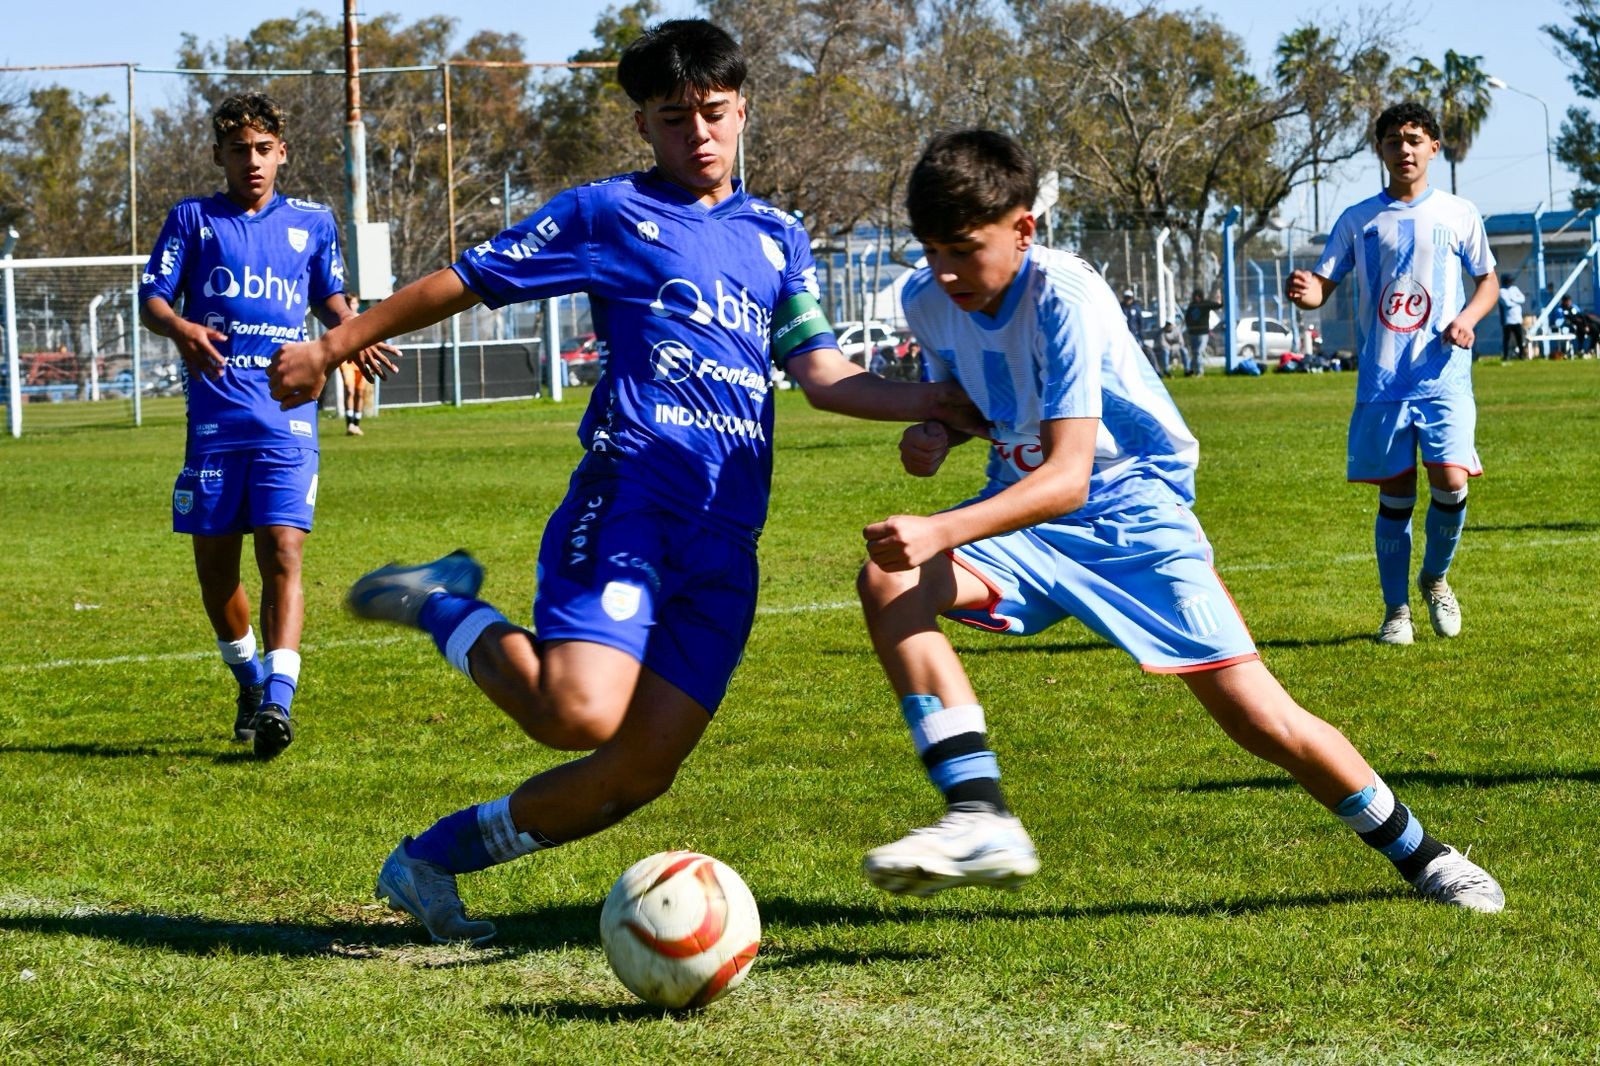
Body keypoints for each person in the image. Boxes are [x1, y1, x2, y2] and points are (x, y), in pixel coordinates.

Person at [267, 19, 977, 944]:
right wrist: (332, 344)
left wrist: (938, 400)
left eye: (714, 114)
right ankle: (443, 605)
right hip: (632, 501)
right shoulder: (608, 214)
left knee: (638, 771)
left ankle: (430, 861)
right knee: (578, 713)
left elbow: (823, 375)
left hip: (728, 542)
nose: (699, 134)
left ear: (742, 110)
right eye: (674, 118)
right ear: (643, 124)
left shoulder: (778, 238)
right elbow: (467, 280)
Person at [855, 129, 1502, 913]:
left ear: (1024, 228)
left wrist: (940, 528)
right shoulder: (930, 301)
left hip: (1134, 514)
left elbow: (1068, 476)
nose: (945, 271)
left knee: (1260, 718)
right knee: (891, 580)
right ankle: (978, 811)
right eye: (931, 251)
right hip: (1025, 522)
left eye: (964, 248)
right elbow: (979, 405)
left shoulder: (1065, 293)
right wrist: (937, 433)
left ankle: (1424, 855)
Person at [138, 93, 397, 759]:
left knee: (283, 551)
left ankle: (280, 702)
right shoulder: (192, 220)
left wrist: (353, 332)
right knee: (216, 572)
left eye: (263, 149)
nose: (251, 162)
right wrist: (181, 326)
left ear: (282, 151)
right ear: (218, 155)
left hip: (288, 418)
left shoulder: (312, 223)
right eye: (237, 150)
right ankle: (250, 682)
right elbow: (153, 300)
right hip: (216, 424)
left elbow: (331, 297)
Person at [1287, 101, 1498, 646]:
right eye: (1392, 141)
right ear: (1379, 149)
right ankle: (1396, 610)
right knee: (1397, 492)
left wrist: (1468, 320)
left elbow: (1488, 282)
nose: (1403, 149)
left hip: (1443, 375)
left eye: (1413, 139)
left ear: (1433, 147)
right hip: (1384, 381)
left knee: (1450, 481)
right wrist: (1305, 291)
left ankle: (1436, 577)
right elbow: (1320, 288)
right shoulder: (1359, 220)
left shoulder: (1459, 213)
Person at [1182, 289, 1221, 375]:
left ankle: (1200, 371)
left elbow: (1218, 306)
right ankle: (1191, 371)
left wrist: (1219, 297)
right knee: (1194, 353)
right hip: (1193, 333)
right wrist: (1189, 328)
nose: (1196, 298)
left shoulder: (1205, 304)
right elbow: (1187, 318)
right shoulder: (1191, 306)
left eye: (1198, 296)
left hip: (1202, 333)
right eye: (1195, 296)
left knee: (1199, 351)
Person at [339, 357, 369, 434]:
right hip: (347, 360)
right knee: (350, 391)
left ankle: (356, 425)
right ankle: (350, 424)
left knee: (360, 393)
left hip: (364, 361)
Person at [1497, 275, 1525, 359]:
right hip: (1508, 320)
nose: (1510, 283)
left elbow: (1522, 299)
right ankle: (1506, 356)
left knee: (1519, 339)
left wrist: (1513, 299)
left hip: (1517, 319)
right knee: (1507, 339)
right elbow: (1507, 304)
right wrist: (1517, 302)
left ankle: (1521, 355)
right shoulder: (1501, 291)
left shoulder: (1515, 289)